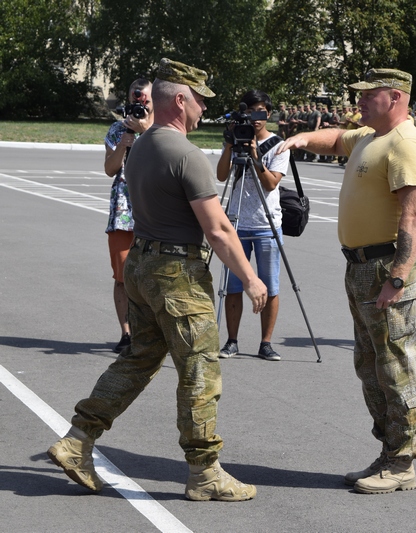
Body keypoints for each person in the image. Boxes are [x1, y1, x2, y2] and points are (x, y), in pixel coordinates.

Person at [47, 58, 268, 501]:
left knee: (138, 359)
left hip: (143, 265)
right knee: (200, 370)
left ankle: (77, 440)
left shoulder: (142, 145)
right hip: (177, 275)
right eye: (200, 101)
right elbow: (219, 229)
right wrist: (250, 277)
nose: (204, 109)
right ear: (181, 100)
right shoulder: (184, 153)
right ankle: (205, 472)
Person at [278, 68, 416, 495]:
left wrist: (398, 278)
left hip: (387, 268)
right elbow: (336, 138)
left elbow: (415, 215)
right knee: (370, 365)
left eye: (370, 94)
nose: (359, 100)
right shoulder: (370, 135)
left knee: (395, 365)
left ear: (396, 97)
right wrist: (299, 140)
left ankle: (402, 462)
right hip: (361, 266)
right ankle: (389, 451)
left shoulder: (405, 142)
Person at [216, 89, 290, 361]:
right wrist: (229, 144)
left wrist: (256, 156)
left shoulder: (279, 145)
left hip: (266, 224)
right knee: (233, 286)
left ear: (268, 114)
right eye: (249, 113)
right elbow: (221, 176)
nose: (254, 119)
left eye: (260, 113)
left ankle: (266, 343)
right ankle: (231, 340)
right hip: (236, 223)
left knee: (270, 286)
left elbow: (271, 183)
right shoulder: (236, 141)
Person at [103, 78, 153, 353]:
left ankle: (149, 332)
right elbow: (110, 169)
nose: (139, 106)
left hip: (152, 210)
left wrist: (145, 131)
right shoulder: (116, 130)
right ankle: (126, 333)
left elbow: (168, 158)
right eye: (135, 101)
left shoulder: (160, 130)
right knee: (122, 276)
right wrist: (123, 143)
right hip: (123, 211)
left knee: (150, 274)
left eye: (144, 100)